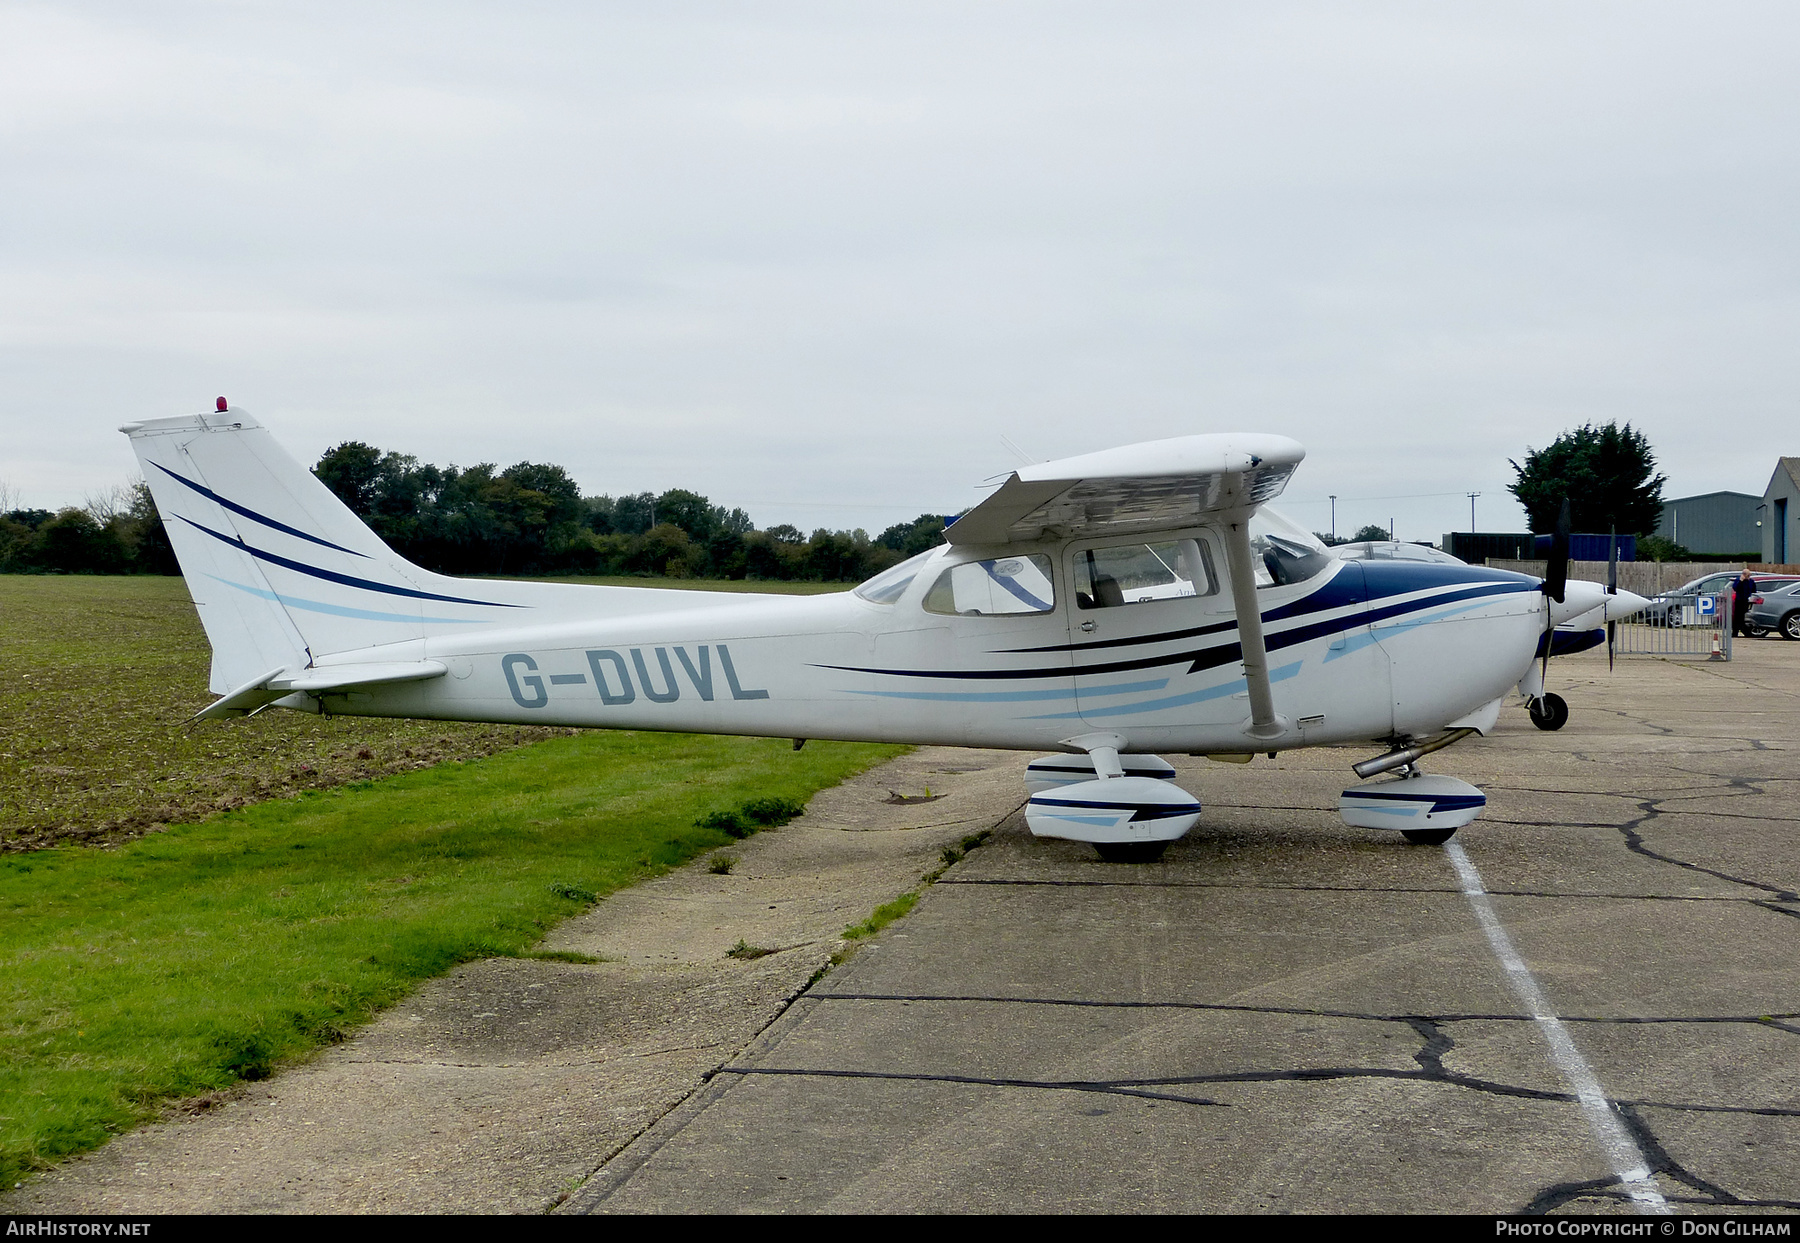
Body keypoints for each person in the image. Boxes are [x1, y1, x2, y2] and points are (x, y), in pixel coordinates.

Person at [1732, 568, 1758, 639]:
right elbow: (1735, 588)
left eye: (1749, 575)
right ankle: (1735, 632)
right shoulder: (1738, 580)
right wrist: (1741, 581)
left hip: (1747, 601)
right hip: (1739, 600)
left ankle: (1746, 631)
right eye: (1747, 575)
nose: (1749, 576)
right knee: (1737, 617)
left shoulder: (1751, 581)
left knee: (1744, 616)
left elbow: (1754, 590)